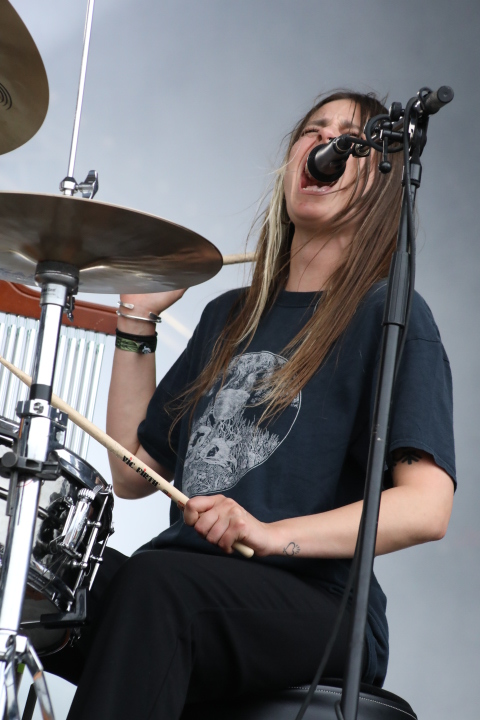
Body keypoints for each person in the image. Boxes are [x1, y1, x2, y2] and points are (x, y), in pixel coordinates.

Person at [44, 90, 455, 720]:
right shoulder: (229, 315)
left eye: (349, 138)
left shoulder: (388, 313)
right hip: (185, 585)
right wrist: (135, 319)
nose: (326, 145)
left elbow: (427, 508)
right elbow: (133, 472)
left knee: (158, 589)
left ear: (380, 181)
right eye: (313, 131)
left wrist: (269, 535)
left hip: (318, 602)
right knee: (41, 576)